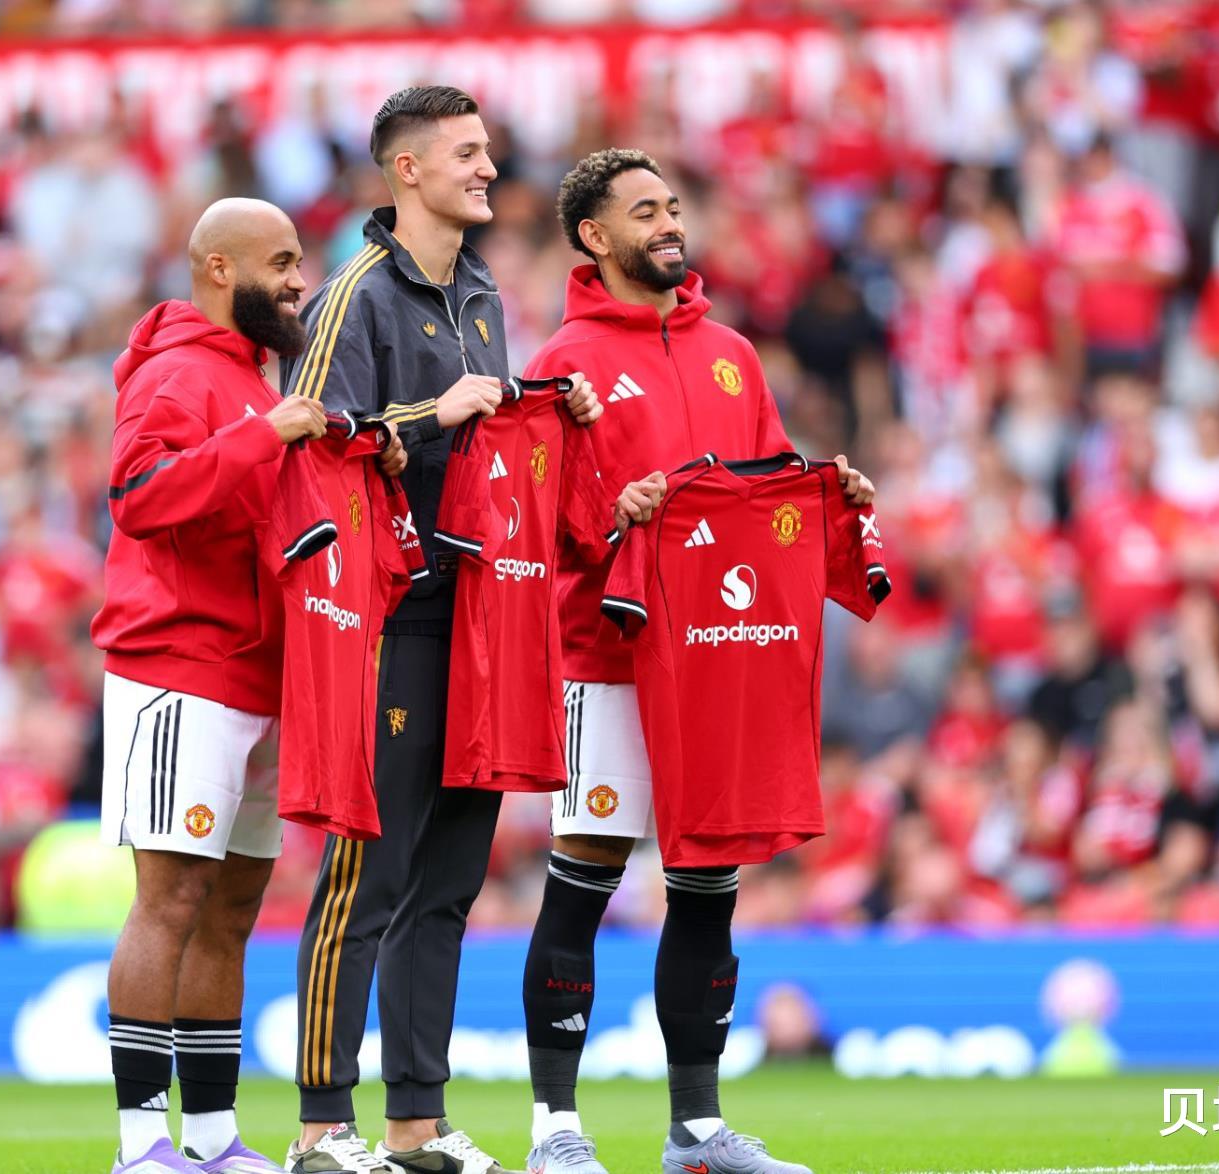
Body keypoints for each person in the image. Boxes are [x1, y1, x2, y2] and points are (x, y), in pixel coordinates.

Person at [279, 85, 616, 1174]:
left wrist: (544, 410)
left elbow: (483, 448)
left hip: (481, 613)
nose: (487, 168)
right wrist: (439, 412)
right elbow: (310, 446)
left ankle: (415, 1124)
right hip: (387, 620)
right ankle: (321, 1127)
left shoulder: (479, 293)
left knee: (447, 887)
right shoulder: (354, 296)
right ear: (408, 169)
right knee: (366, 878)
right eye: (466, 152)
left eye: (487, 150)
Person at [518, 148, 873, 1174]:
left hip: (716, 657)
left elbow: (763, 490)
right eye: (645, 211)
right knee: (583, 879)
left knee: (707, 885)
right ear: (595, 236)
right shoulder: (563, 359)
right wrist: (612, 511)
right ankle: (554, 1129)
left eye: (672, 206)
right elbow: (537, 510)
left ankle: (697, 1132)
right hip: (605, 656)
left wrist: (824, 492)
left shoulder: (733, 354)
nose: (670, 223)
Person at [91, 198, 337, 1174]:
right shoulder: (175, 372)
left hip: (261, 674)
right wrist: (263, 436)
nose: (296, 280)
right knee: (171, 897)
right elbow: (137, 495)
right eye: (280, 262)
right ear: (218, 268)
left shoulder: (251, 379)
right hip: (179, 666)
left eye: (298, 261)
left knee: (232, 906)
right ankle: (140, 1143)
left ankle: (210, 1137)